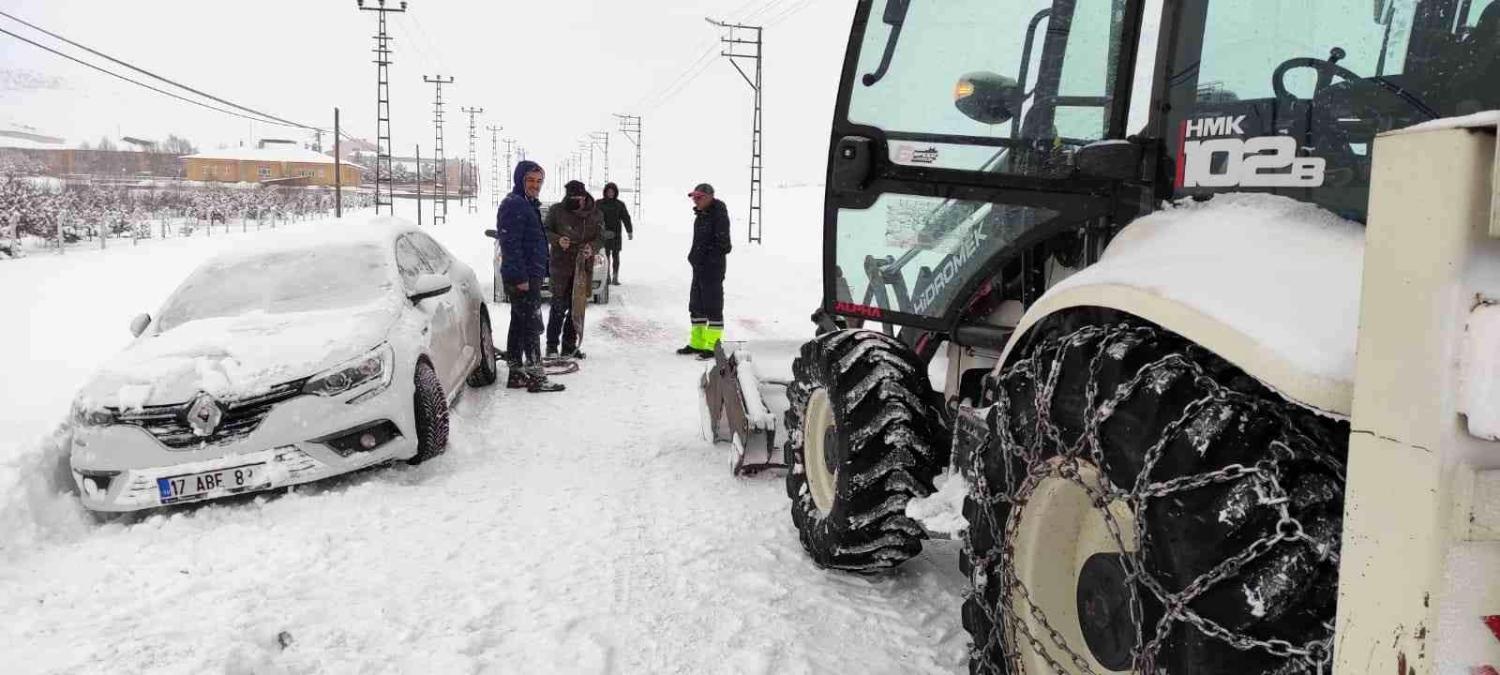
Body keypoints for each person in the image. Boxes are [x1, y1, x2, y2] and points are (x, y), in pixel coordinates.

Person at [497, 160, 564, 393]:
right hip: (522, 277)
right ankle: (536, 376)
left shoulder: (527, 204)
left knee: (519, 323)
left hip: (528, 274)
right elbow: (509, 243)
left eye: (539, 181)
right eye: (530, 180)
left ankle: (516, 373)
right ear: (519, 180)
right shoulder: (515, 204)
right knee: (531, 325)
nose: (536, 185)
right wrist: (520, 277)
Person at [544, 180, 603, 359]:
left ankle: (569, 346)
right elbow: (545, 231)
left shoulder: (595, 214)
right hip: (561, 266)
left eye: (579, 197)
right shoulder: (556, 211)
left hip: (583, 267)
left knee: (576, 308)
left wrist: (591, 247)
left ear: (584, 196)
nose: (576, 201)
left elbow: (601, 237)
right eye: (572, 198)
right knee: (558, 307)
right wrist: (557, 240)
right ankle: (552, 347)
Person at [677, 183, 732, 358]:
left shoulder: (719, 215)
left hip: (712, 269)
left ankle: (712, 347)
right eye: (694, 197)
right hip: (699, 268)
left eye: (699, 197)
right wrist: (694, 258)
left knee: (713, 307)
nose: (695, 200)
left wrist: (707, 259)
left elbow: (724, 245)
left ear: (710, 197)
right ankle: (697, 343)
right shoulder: (701, 216)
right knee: (696, 306)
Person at [596, 182, 633, 285]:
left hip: (616, 234)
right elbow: (593, 217)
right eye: (609, 191)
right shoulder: (599, 203)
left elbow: (626, 218)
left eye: (613, 192)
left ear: (615, 193)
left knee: (616, 255)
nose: (610, 193)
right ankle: (606, 276)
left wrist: (629, 231)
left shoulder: (620, 204)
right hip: (603, 234)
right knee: (605, 256)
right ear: (605, 192)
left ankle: (615, 277)